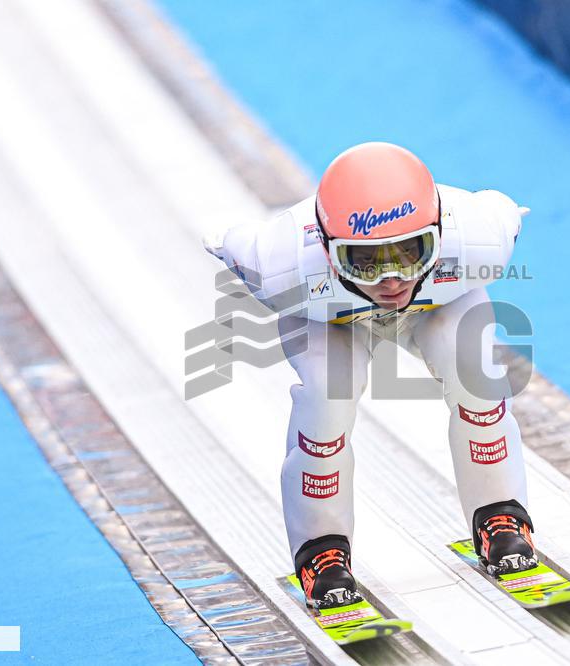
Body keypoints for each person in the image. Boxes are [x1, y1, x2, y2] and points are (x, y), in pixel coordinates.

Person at [206, 142, 534, 608]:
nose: (392, 280)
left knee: (476, 372)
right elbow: (229, 241)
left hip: (426, 304)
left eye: (410, 252)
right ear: (325, 250)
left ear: (441, 235)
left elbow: (504, 210)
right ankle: (322, 549)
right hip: (329, 318)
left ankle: (501, 514)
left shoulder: (482, 237)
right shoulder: (278, 265)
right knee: (326, 401)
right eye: (365, 260)